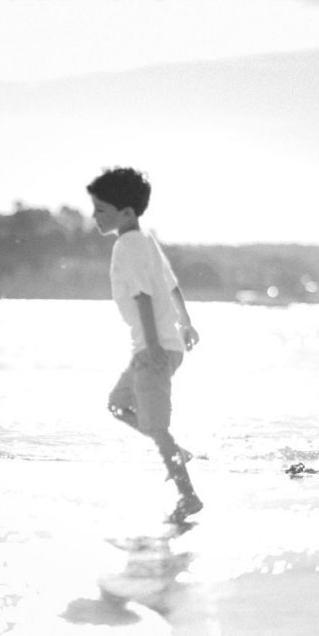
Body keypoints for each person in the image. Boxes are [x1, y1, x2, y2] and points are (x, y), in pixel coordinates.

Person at [86, 166, 203, 523]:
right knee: (118, 405)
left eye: (101, 210)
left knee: (156, 426)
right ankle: (176, 451)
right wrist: (186, 325)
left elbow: (143, 295)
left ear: (127, 213)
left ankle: (188, 497)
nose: (94, 216)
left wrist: (151, 346)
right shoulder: (146, 240)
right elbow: (171, 286)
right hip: (165, 346)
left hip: (151, 348)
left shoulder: (127, 245)